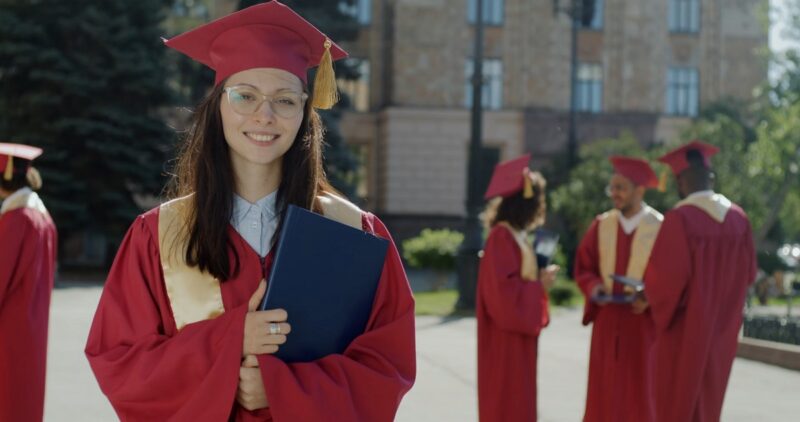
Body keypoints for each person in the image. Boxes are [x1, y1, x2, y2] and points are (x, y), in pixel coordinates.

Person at [84, 2, 415, 420]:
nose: (265, 115)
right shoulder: (159, 235)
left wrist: (283, 389)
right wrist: (231, 339)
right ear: (217, 105)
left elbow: (388, 368)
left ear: (304, 114)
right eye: (245, 96)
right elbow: (119, 362)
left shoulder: (354, 232)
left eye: (285, 100)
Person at [642, 140, 756, 421]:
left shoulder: (680, 219)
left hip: (684, 334)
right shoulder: (739, 219)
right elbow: (749, 274)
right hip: (723, 333)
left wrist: (645, 297)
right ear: (712, 178)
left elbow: (665, 286)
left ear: (681, 182)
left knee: (676, 404)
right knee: (709, 404)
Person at [573, 156, 663, 422]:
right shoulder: (602, 225)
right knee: (604, 389)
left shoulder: (660, 227)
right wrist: (594, 286)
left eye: (621, 187)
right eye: (612, 187)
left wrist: (651, 296)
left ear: (640, 190)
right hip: (608, 320)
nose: (614, 194)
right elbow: (584, 267)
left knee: (642, 391)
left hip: (643, 323)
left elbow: (673, 275)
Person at [476, 153, 559, 422]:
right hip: (505, 340)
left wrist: (537, 282)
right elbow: (503, 297)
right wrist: (539, 287)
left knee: (518, 403)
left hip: (517, 338)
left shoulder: (514, 235)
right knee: (508, 404)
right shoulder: (502, 237)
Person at [0, 142, 57, 422]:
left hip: (8, 328)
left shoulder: (17, 219)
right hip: (31, 325)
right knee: (24, 399)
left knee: (8, 402)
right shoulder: (41, 216)